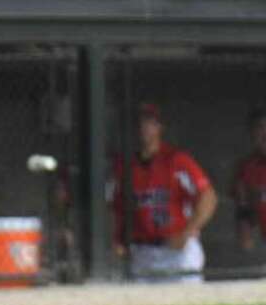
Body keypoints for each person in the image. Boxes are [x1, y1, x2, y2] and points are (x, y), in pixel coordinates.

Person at [110, 102, 217, 283]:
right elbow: (115, 208)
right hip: (142, 252)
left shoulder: (176, 160)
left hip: (177, 252)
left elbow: (208, 197)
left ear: (160, 127)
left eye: (149, 122)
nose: (143, 128)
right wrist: (116, 240)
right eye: (140, 123)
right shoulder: (123, 166)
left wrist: (187, 232)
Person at [233, 108, 266, 252]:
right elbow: (244, 207)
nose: (265, 133)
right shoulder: (246, 168)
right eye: (259, 128)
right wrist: (245, 229)